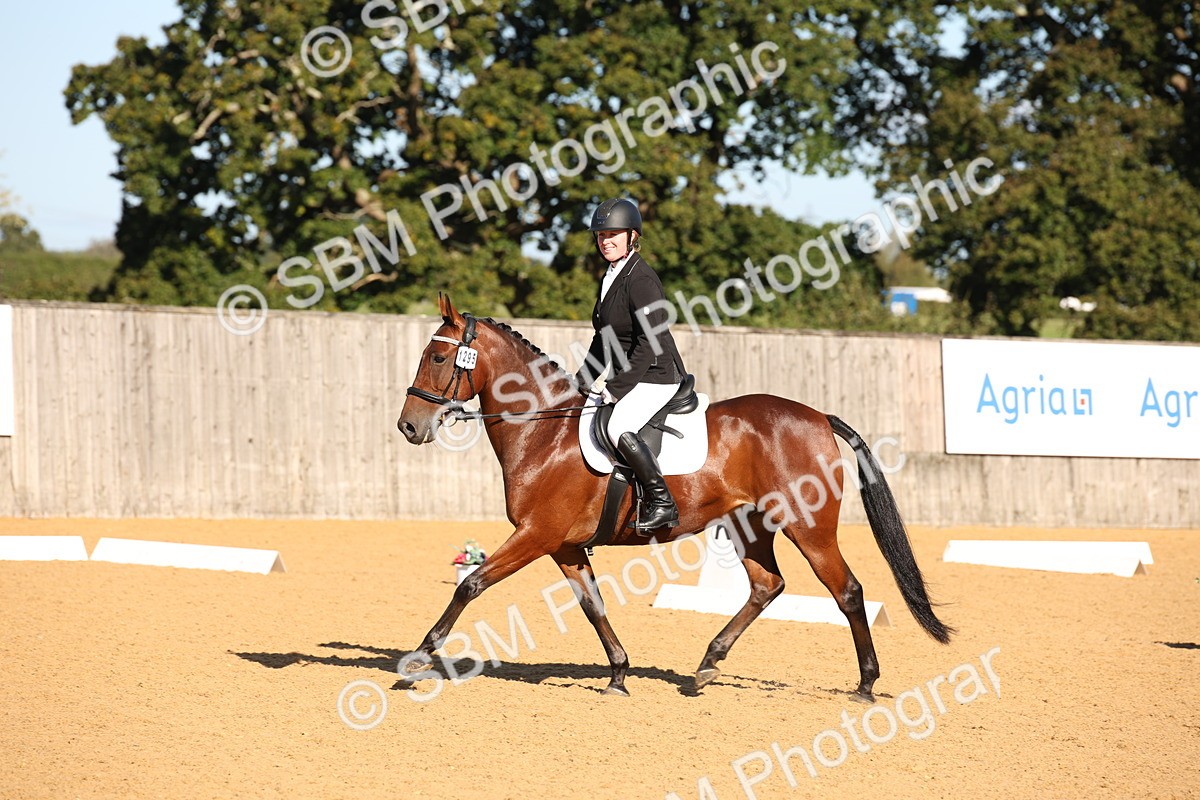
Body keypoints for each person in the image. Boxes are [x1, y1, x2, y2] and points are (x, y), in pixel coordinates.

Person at [573, 197, 686, 530]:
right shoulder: (611, 276)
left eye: (613, 234)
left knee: (615, 426)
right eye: (600, 236)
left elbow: (649, 342)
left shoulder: (640, 280)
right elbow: (604, 339)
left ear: (632, 236)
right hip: (633, 375)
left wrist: (616, 388)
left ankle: (662, 501)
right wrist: (580, 381)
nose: (605, 241)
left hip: (656, 375)